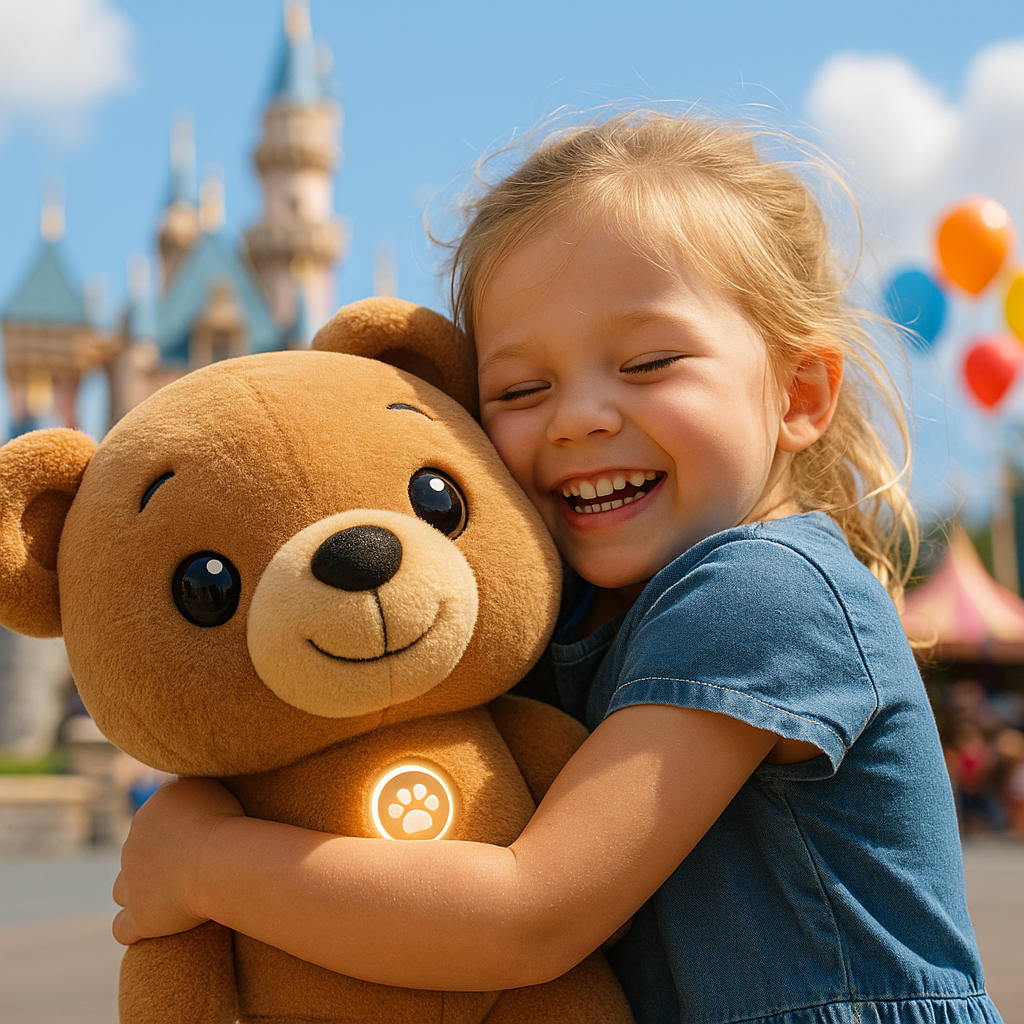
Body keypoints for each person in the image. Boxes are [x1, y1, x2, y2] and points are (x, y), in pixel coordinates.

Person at [112, 111, 1003, 1024]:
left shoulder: (766, 592)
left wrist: (209, 865)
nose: (577, 417)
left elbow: (528, 918)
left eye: (649, 362)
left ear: (799, 393)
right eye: (519, 390)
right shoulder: (584, 616)